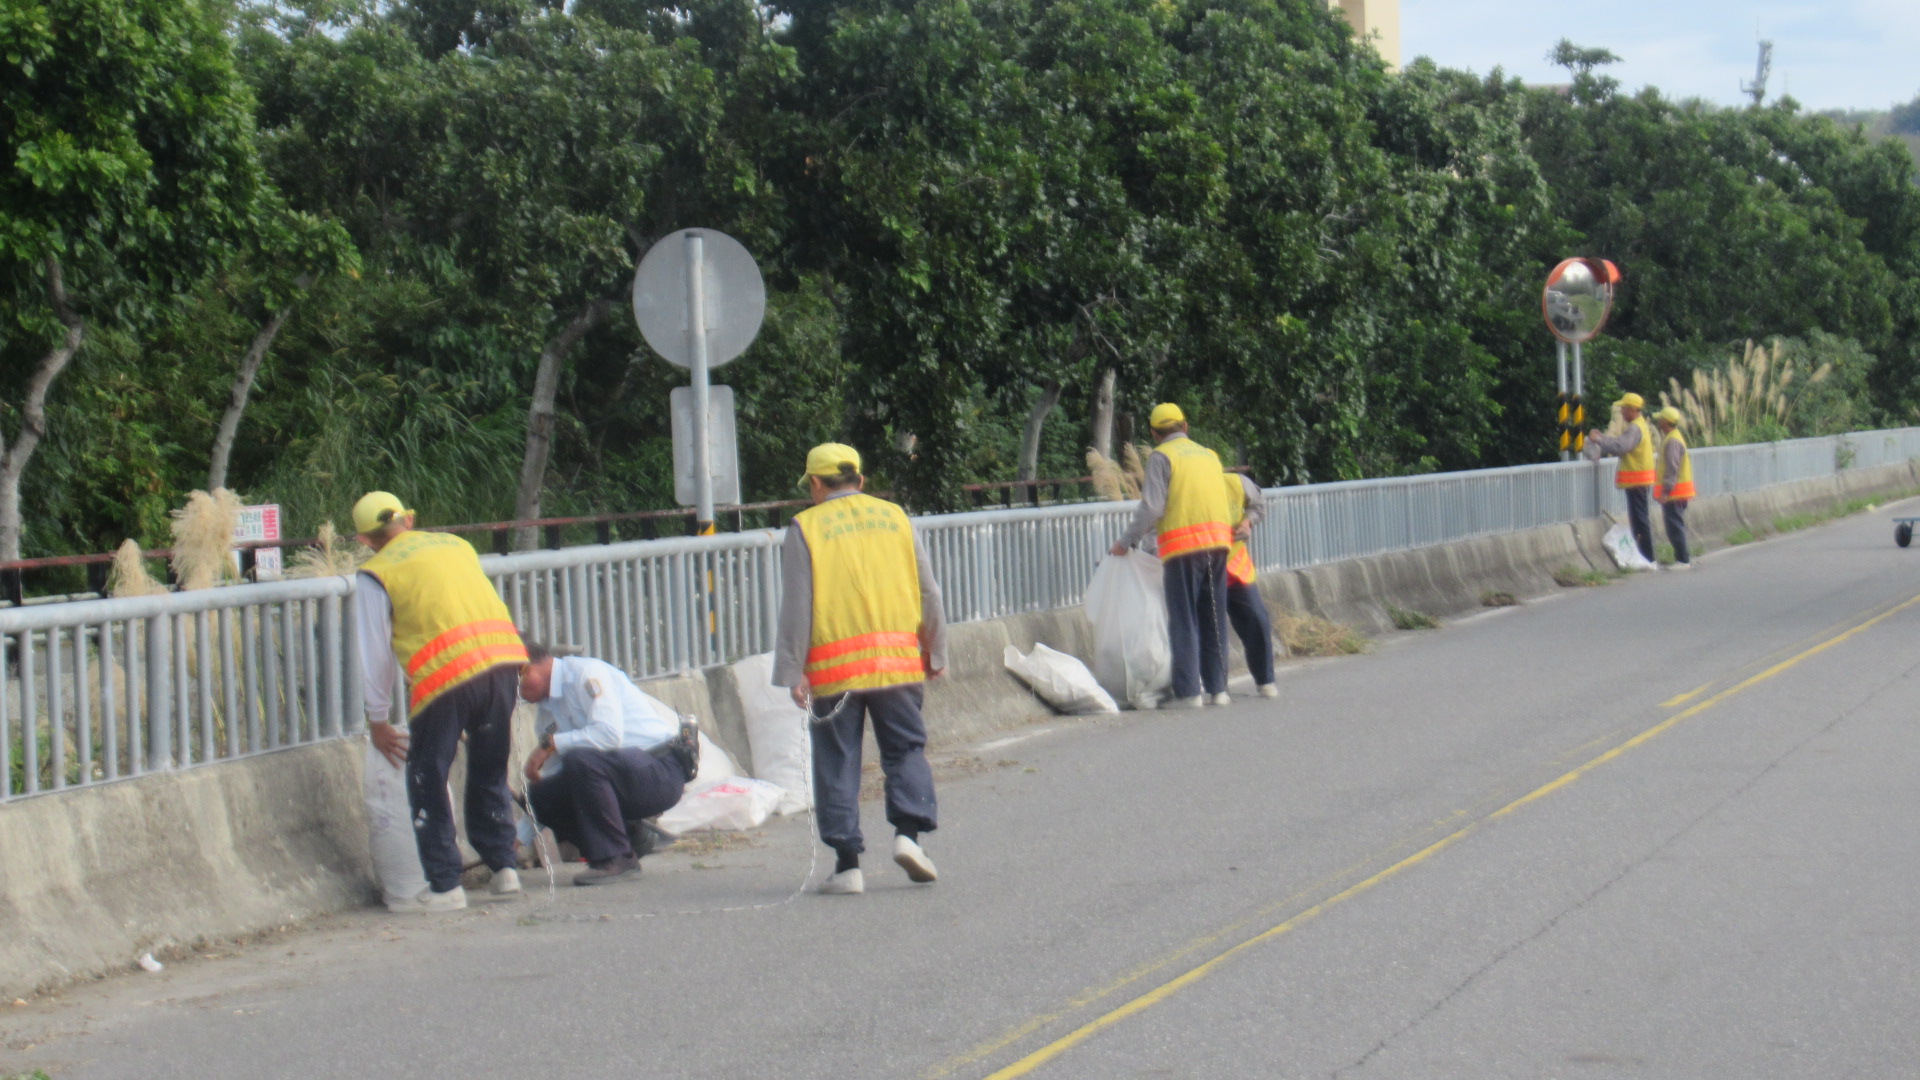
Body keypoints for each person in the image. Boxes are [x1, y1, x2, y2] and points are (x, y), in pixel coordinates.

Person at [774, 443, 949, 896]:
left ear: (815, 484)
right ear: (860, 479)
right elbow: (928, 590)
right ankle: (909, 836)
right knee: (906, 750)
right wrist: (936, 648)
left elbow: (797, 606)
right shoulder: (896, 517)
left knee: (837, 759)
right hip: (898, 663)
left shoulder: (805, 528)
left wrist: (794, 671)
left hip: (835, 672)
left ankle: (848, 865)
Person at [354, 491, 528, 912]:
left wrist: (378, 721)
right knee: (489, 766)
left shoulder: (374, 573)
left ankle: (446, 886)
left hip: (445, 677)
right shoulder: (457, 544)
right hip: (503, 662)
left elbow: (375, 654)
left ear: (364, 540)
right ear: (409, 520)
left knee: (427, 776)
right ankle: (504, 867)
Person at [517, 643, 696, 885]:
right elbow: (558, 778)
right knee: (541, 794)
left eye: (513, 684)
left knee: (580, 760)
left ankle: (613, 858)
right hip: (619, 778)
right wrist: (515, 841)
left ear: (525, 669)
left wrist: (552, 744)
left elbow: (609, 735)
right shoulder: (546, 715)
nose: (516, 694)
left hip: (658, 770)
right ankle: (630, 840)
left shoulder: (586, 674)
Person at [1110, 403, 1233, 708]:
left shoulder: (1161, 457)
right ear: (1185, 427)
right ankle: (1219, 689)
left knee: (1184, 618)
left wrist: (1126, 541)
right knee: (1214, 615)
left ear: (1154, 433)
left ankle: (1190, 692)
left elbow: (1152, 507)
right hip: (1218, 543)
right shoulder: (1209, 456)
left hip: (1182, 547)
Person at [1223, 471, 1281, 699]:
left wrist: (1247, 522)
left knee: (1257, 619)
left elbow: (1258, 505)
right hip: (1202, 569)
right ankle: (1215, 686)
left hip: (1236, 566)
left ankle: (1265, 679)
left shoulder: (1237, 483)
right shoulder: (1184, 488)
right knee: (1210, 629)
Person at [1587, 392, 1657, 563]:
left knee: (1639, 519)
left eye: (1624, 408)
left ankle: (1646, 557)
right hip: (1639, 480)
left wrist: (1599, 440)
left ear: (1633, 409)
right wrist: (1604, 441)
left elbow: (1621, 446)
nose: (1622, 412)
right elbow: (1621, 444)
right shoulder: (1640, 425)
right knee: (1639, 518)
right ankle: (1645, 556)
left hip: (1637, 481)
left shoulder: (1635, 428)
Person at [1653, 406, 1695, 571]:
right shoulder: (1674, 437)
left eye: (1660, 420)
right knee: (1675, 525)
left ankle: (1683, 560)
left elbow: (1672, 467)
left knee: (1674, 526)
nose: (1658, 423)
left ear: (1665, 422)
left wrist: (1665, 491)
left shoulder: (1672, 441)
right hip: (1678, 492)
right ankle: (1682, 558)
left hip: (1675, 493)